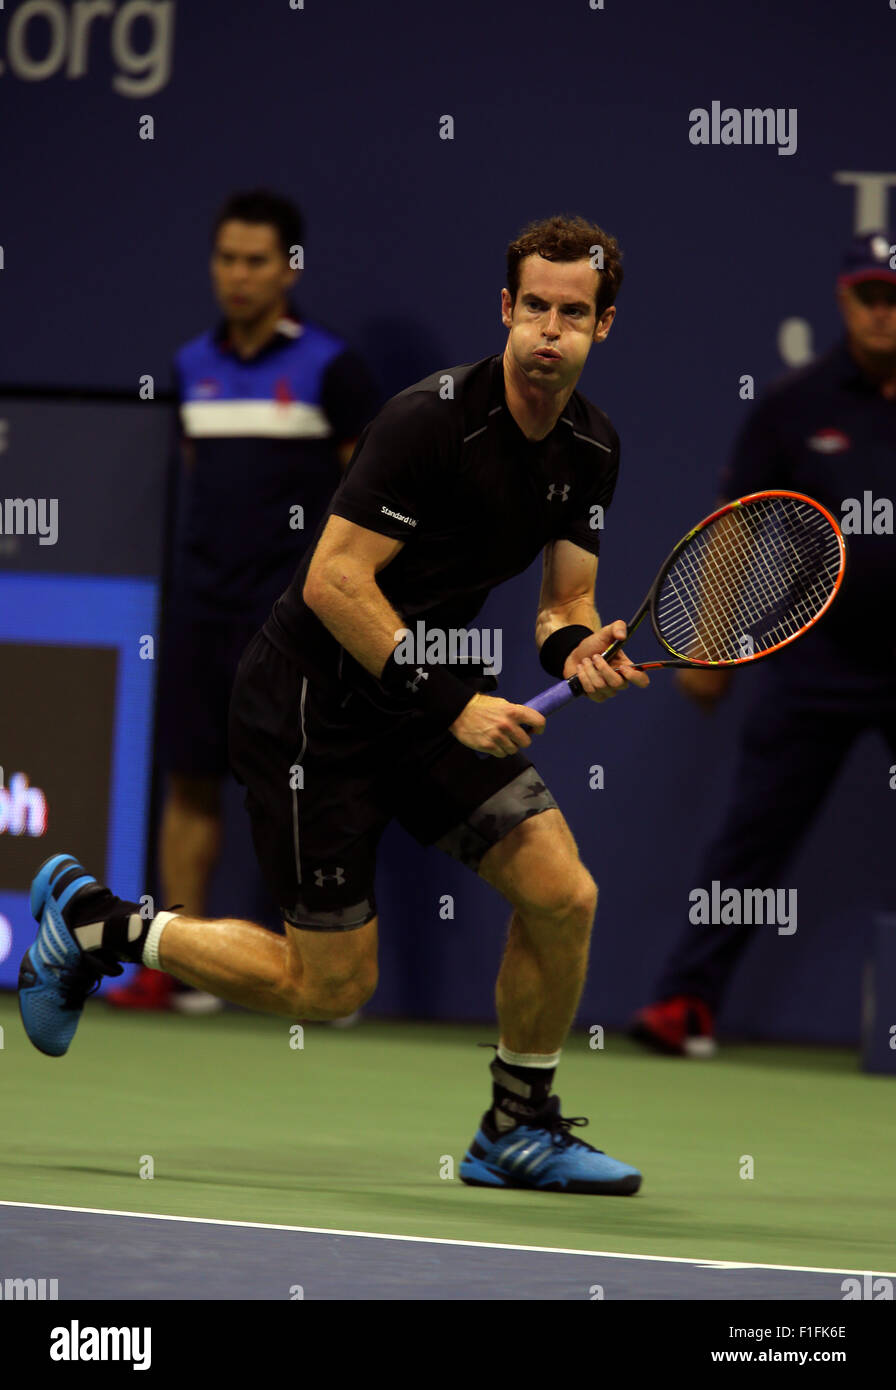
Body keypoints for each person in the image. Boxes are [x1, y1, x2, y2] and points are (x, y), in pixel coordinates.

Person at [20, 214, 650, 1195]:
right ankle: (102, 924)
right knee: (332, 987)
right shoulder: (428, 421)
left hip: (418, 693)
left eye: (572, 313)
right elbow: (333, 582)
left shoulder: (591, 448)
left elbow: (563, 606)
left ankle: (516, 1125)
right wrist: (449, 703)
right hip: (307, 704)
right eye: (533, 306)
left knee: (561, 891)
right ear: (504, 308)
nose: (547, 330)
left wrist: (583, 650)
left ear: (602, 326)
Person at [107, 189, 379, 1013]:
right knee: (189, 779)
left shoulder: (332, 368)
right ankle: (176, 965)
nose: (238, 275)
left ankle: (313, 965)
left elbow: (368, 495)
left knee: (298, 789)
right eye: (227, 258)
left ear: (288, 268)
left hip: (292, 625)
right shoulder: (192, 365)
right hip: (200, 610)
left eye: (256, 260)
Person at [630, 231, 896, 1057]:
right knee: (752, 838)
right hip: (815, 664)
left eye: (895, 297)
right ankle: (686, 1003)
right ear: (843, 301)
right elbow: (737, 532)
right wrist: (707, 644)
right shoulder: (794, 403)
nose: (883, 313)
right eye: (869, 296)